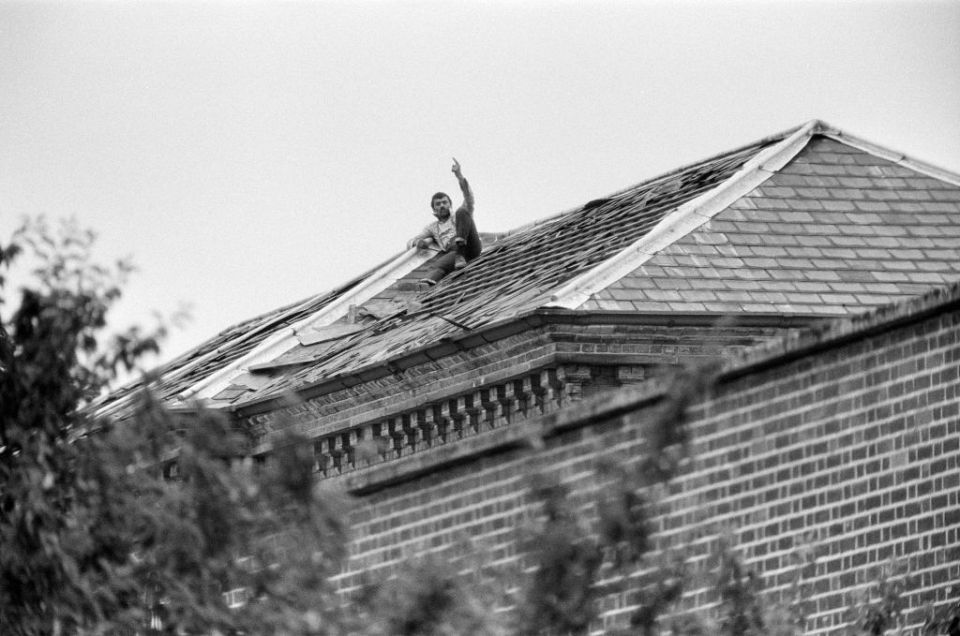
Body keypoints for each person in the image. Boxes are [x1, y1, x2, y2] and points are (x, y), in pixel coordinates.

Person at [407, 158, 482, 285]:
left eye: (444, 202)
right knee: (438, 265)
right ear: (434, 208)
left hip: (470, 246)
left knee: (462, 211)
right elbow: (411, 242)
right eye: (438, 204)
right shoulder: (432, 227)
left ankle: (460, 251)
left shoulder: (457, 215)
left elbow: (468, 197)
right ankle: (426, 286)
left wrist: (459, 176)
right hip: (454, 255)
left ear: (449, 205)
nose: (442, 206)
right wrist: (419, 242)